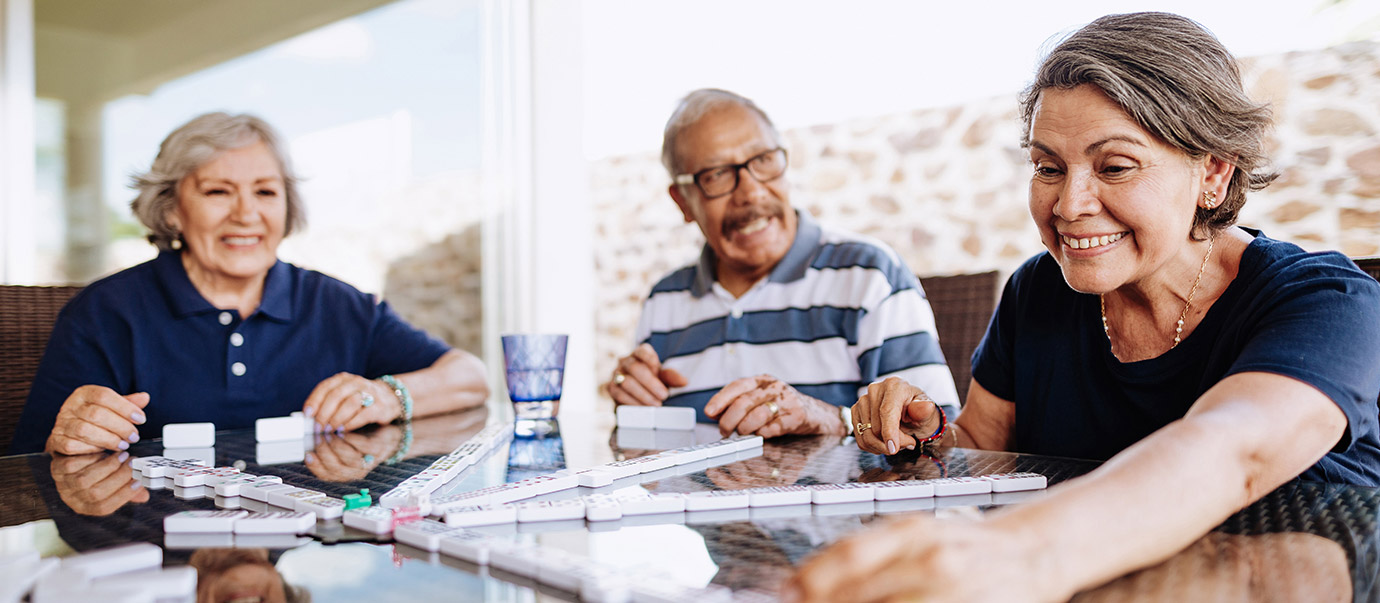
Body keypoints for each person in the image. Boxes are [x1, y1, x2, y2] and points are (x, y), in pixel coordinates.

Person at [786, 12, 1380, 602]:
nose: (1069, 205)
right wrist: (925, 433)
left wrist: (1021, 555)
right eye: (1048, 167)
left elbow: (1233, 453)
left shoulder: (1326, 302)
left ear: (1213, 173)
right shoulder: (1039, 289)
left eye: (1114, 167)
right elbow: (980, 450)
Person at [10, 113, 489, 455]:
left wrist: (387, 396)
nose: (246, 214)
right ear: (173, 209)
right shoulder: (104, 312)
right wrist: (68, 435)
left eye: (265, 191)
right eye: (218, 191)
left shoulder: (337, 305)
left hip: (306, 538)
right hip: (155, 552)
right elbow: (33, 459)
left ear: (287, 206)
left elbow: (470, 377)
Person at [606, 88, 960, 441]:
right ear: (683, 201)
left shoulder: (869, 274)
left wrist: (829, 418)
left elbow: (941, 440)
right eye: (716, 175)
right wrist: (634, 408)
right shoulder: (664, 299)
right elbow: (652, 452)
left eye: (763, 160)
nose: (751, 193)